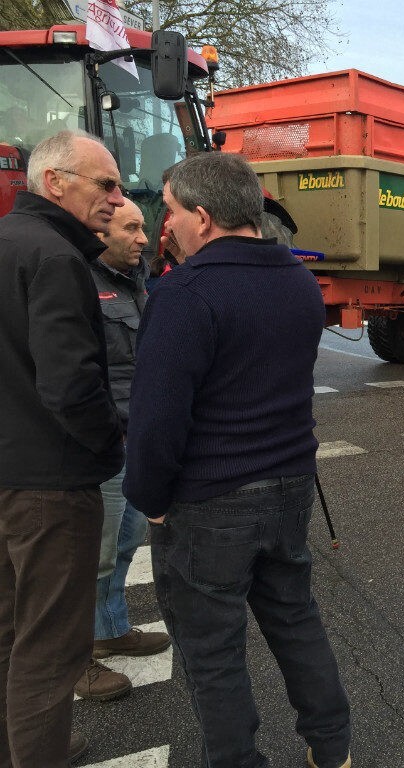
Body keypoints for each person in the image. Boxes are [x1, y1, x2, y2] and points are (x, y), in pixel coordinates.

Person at [124, 152, 352, 768]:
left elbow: (157, 420)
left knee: (212, 651)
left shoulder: (186, 293)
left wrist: (151, 499)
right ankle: (332, 748)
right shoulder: (301, 283)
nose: (163, 225)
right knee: (295, 621)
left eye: (169, 211)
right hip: (289, 485)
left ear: (203, 217)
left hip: (210, 499)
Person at [0, 130, 125, 766]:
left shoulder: (6, 240)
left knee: (6, 636)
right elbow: (72, 385)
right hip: (51, 486)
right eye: (104, 183)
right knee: (50, 651)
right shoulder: (56, 257)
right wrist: (113, 445)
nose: (116, 196)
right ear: (54, 182)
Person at [74, 199, 171, 703]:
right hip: (104, 442)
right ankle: (75, 661)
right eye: (131, 227)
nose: (142, 237)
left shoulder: (138, 281)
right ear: (101, 230)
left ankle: (110, 628)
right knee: (91, 554)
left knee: (125, 543)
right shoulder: (79, 281)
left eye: (143, 227)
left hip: (137, 437)